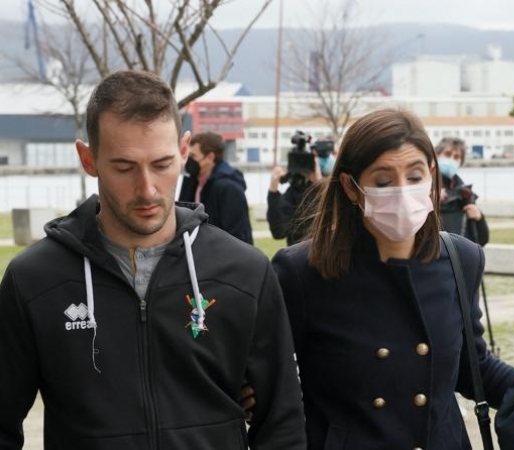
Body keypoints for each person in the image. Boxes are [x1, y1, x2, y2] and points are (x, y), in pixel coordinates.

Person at [0, 70, 306, 449]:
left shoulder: (244, 272)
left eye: (162, 165)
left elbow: (283, 423)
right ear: (88, 158)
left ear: (183, 152)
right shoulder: (34, 280)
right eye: (124, 167)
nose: (147, 189)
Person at [271, 108, 514, 449]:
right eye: (384, 181)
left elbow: (474, 368)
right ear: (351, 187)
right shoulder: (302, 271)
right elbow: (272, 385)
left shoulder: (462, 259)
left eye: (415, 177)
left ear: (433, 175)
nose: (403, 192)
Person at [178, 131, 253, 244]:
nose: (189, 161)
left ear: (210, 157)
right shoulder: (192, 180)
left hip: (220, 256)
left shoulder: (229, 188)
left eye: (193, 156)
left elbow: (238, 235)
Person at [267, 134, 335, 245]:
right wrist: (273, 190)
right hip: (299, 258)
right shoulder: (293, 192)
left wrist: (319, 184)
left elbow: (335, 222)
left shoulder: (337, 188)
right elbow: (279, 232)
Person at [436, 137, 489, 246]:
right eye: (447, 154)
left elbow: (482, 240)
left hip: (459, 257)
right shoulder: (423, 187)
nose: (451, 160)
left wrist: (479, 219)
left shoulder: (465, 194)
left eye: (456, 157)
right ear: (436, 155)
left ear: (460, 163)